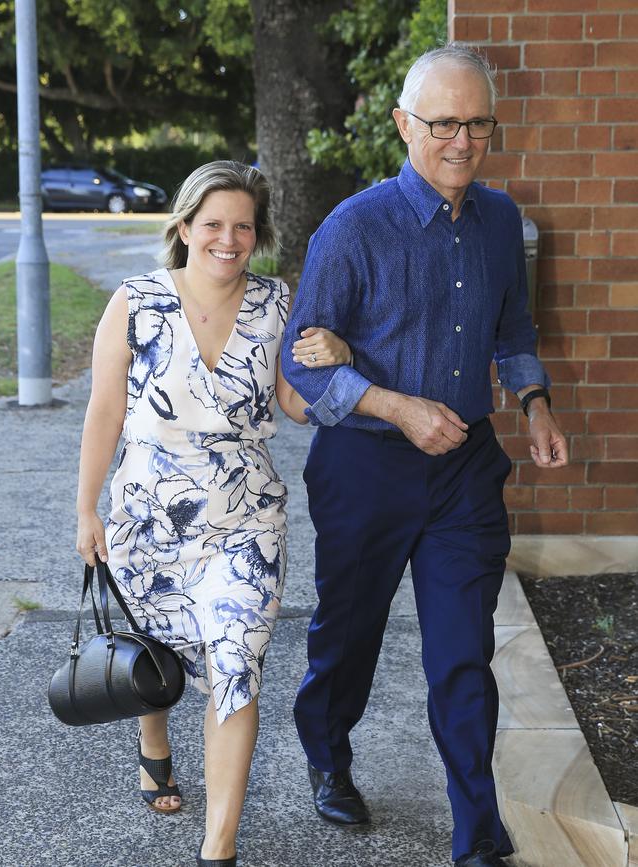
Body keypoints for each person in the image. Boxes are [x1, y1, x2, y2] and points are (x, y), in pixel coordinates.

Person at [282, 44, 568, 867]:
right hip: (363, 468)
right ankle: (329, 754)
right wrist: (392, 404)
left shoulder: (500, 220)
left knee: (462, 650)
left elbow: (513, 331)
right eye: (443, 122)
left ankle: (476, 826)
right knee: (348, 635)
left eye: (478, 123)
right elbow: (303, 363)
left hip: (465, 472)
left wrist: (535, 402)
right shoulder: (353, 227)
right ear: (405, 124)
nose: (461, 140)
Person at [75, 160, 350, 867]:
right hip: (146, 520)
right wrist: (86, 509)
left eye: (243, 227)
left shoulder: (275, 303)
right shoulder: (135, 301)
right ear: (185, 228)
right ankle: (154, 741)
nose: (229, 239)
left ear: (256, 236)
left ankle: (217, 847)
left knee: (235, 665)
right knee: (158, 653)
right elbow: (105, 411)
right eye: (214, 225)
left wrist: (335, 359)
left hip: (244, 523)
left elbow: (292, 404)